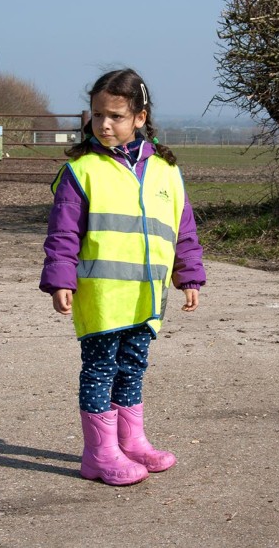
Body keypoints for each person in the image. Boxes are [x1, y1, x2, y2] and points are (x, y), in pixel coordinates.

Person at [40, 68, 206, 486]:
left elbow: (182, 230)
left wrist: (189, 276)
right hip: (102, 298)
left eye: (114, 115)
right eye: (97, 115)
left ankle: (131, 442)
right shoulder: (82, 170)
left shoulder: (167, 172)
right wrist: (60, 279)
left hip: (145, 298)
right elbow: (62, 233)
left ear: (140, 117)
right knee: (99, 370)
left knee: (133, 368)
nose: (104, 124)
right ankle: (99, 453)